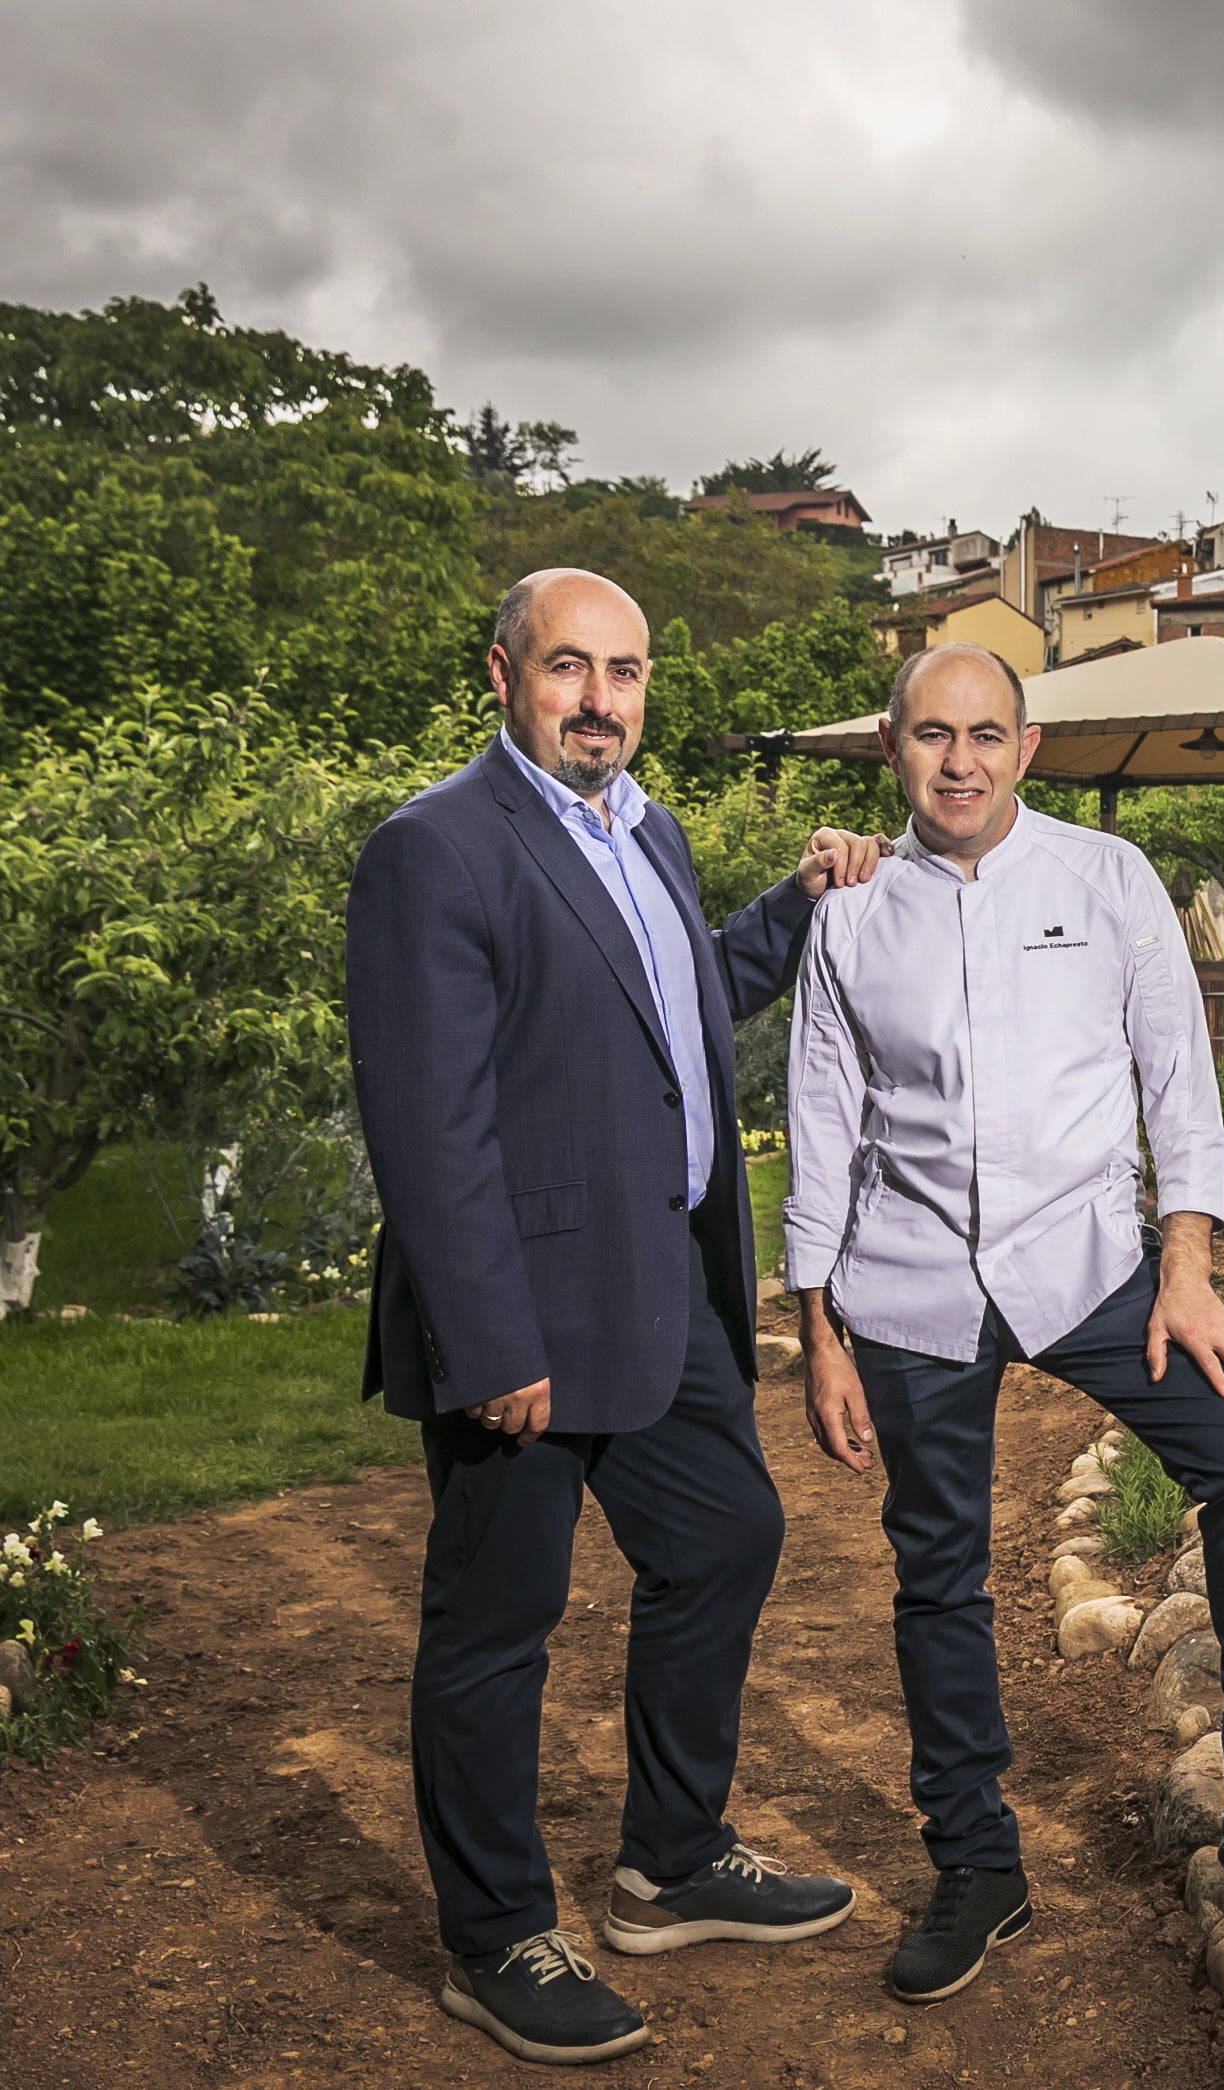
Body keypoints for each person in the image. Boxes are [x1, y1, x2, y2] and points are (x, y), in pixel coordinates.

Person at [347, 568, 882, 2066]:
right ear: (504, 674)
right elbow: (427, 1126)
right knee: (495, 1627)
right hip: (523, 1318)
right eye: (569, 667)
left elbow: (673, 1008)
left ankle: (671, 1862)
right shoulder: (435, 847)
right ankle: (495, 1936)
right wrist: (486, 1339)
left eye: (625, 672)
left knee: (728, 1536)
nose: (600, 700)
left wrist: (799, 906)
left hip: (660, 1290)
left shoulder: (648, 829)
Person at [786, 642, 1224, 2006]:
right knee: (938, 1571)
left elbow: (1178, 1075)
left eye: (986, 734)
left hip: (1092, 1262)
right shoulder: (851, 914)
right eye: (933, 735)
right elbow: (820, 1119)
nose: (961, 763)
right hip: (913, 1285)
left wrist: (1188, 1263)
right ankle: (975, 1862)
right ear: (893, 746)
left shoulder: (1107, 879)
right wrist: (817, 1327)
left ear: (1027, 747)